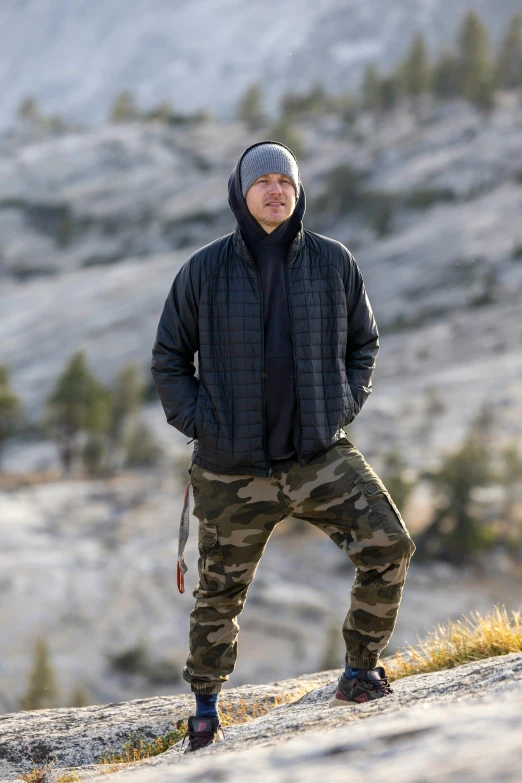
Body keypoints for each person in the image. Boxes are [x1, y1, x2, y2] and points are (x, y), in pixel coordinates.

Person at [151, 141, 416, 752]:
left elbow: (363, 345)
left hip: (319, 456)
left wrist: (339, 409)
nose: (276, 190)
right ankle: (205, 706)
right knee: (219, 593)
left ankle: (359, 671)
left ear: (298, 193)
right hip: (231, 468)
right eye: (263, 180)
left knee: (390, 545)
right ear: (240, 193)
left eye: (286, 181)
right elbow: (169, 357)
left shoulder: (332, 262)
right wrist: (203, 424)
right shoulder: (204, 269)